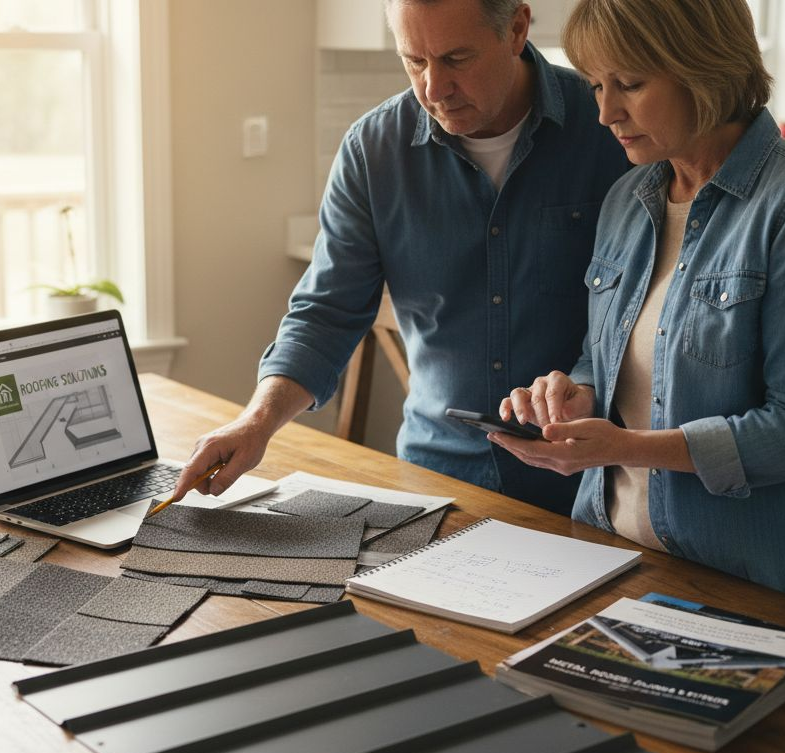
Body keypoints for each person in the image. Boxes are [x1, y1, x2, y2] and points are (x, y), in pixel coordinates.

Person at [172, 0, 630, 512]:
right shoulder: (374, 151)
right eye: (415, 61)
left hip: (590, 487)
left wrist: (586, 383)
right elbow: (326, 313)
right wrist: (256, 423)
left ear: (517, 28)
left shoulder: (611, 128)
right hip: (437, 479)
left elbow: (644, 305)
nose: (434, 88)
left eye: (457, 59)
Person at [491, 0, 785, 612]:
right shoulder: (627, 198)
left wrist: (620, 445)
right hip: (610, 556)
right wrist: (576, 395)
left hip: (752, 583)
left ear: (703, 68)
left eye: (631, 84)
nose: (606, 112)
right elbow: (605, 357)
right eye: (595, 86)